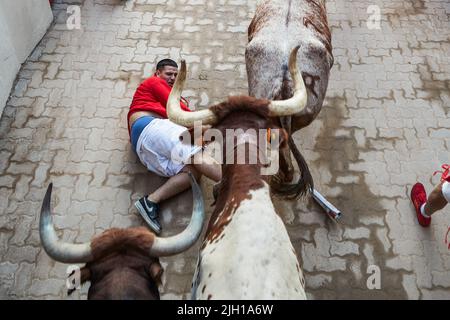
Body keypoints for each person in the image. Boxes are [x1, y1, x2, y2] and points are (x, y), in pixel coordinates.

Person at [128, 59, 221, 234]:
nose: (172, 78)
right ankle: (235, 186)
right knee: (196, 153)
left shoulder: (173, 95)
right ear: (157, 73)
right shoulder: (154, 82)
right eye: (168, 73)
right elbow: (182, 113)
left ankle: (151, 201)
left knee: (193, 172)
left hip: (144, 147)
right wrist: (213, 124)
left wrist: (202, 133)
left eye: (175, 75)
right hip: (150, 126)